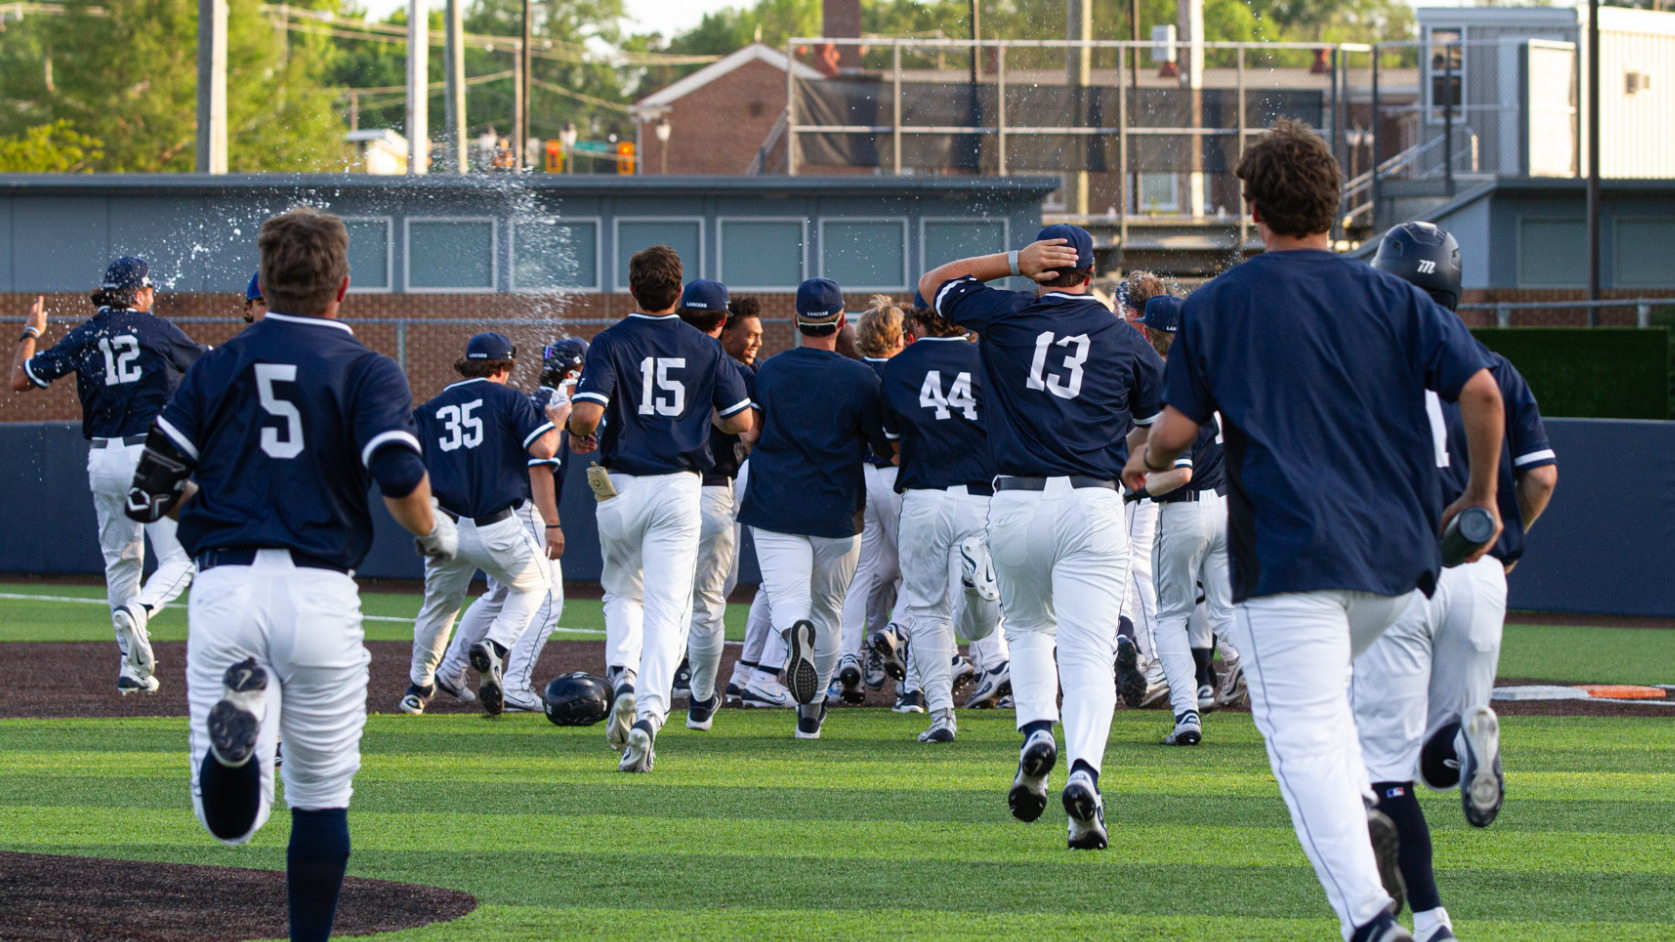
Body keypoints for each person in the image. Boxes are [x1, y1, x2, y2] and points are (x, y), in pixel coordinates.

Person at [1120, 121, 1506, 942]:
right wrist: (1481, 496)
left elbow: (1175, 435)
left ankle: (1370, 921)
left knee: (1299, 742)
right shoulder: (1394, 295)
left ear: (1250, 207)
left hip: (1293, 559)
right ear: (1332, 203)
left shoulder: (1219, 302)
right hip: (1396, 570)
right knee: (1330, 721)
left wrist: (1145, 450)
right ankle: (1370, 813)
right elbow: (1481, 393)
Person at [124, 206, 458, 942]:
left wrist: (204, 505)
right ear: (342, 287)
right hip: (320, 591)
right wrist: (433, 534)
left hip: (225, 583)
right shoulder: (367, 367)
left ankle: (234, 741)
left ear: (265, 285)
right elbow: (400, 476)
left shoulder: (218, 362)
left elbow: (148, 488)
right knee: (321, 799)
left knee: (229, 825)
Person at [919, 224, 1164, 850]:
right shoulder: (1122, 337)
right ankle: (1084, 772)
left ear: (1040, 270)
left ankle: (1036, 731)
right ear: (1090, 273)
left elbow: (932, 286)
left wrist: (1008, 262)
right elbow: (1159, 431)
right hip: (1092, 501)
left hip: (1016, 499)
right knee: (1087, 655)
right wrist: (1131, 455)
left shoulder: (1005, 312)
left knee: (1028, 630)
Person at [1352, 221, 1558, 942]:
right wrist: (1503, 534)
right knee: (1437, 760)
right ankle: (1470, 740)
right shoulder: (1493, 367)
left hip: (1397, 570)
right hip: (1479, 572)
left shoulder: (1366, 364)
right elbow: (1540, 474)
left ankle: (1431, 920)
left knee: (1386, 776)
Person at [567, 245, 752, 772]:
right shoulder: (704, 347)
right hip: (680, 485)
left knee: (623, 590)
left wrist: (578, 432)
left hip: (618, 483)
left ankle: (623, 675)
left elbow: (584, 415)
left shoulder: (610, 340)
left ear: (632, 290)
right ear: (678, 291)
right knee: (671, 607)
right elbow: (741, 423)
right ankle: (650, 711)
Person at [9, 257, 204, 695]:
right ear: (136, 294)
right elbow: (211, 370)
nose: (153, 296)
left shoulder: (84, 334)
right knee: (180, 559)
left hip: (102, 458)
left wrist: (30, 332)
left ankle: (132, 668)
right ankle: (141, 610)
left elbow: (19, 380)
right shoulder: (156, 330)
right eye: (149, 290)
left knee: (121, 561)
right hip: (150, 452)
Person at [737, 276, 892, 740]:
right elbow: (883, 448)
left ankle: (793, 638)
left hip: (776, 505)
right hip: (838, 512)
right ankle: (812, 710)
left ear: (795, 321)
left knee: (789, 602)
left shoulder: (771, 371)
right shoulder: (862, 377)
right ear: (841, 321)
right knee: (829, 611)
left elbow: (752, 433)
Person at [402, 333, 560, 716]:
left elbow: (401, 459)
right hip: (495, 524)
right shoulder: (509, 398)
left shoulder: (431, 407)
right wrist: (555, 421)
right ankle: (497, 645)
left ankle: (419, 687)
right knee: (537, 586)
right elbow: (545, 450)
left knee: (439, 608)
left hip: (444, 523)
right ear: (503, 368)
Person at [434, 338, 586, 712]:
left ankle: (451, 671)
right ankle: (515, 683)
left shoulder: (533, 402)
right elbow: (539, 466)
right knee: (548, 601)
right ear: (572, 373)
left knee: (499, 596)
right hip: (525, 511)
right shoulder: (554, 405)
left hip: (499, 511)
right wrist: (552, 523)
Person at [879, 298, 1003, 742]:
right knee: (990, 613)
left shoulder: (899, 366)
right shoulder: (989, 359)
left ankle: (940, 716)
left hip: (924, 494)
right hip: (981, 496)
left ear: (914, 321)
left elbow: (892, 444)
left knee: (927, 610)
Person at [1130, 294, 1239, 746]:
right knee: (1229, 615)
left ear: (1152, 333)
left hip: (1186, 508)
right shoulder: (1215, 369)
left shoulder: (1171, 377)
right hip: (1226, 505)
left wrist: (1128, 491)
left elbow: (1180, 471)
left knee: (1170, 618)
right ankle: (1290, 698)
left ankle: (1186, 715)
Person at [674, 278, 753, 731]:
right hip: (713, 489)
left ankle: (639, 686)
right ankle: (700, 703)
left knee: (645, 599)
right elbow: (746, 428)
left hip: (657, 485)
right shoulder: (723, 362)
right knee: (708, 602)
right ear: (723, 321)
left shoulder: (647, 350)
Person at [843, 299, 914, 707]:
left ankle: (850, 657)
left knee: (861, 577)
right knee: (918, 573)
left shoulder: (853, 372)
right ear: (899, 337)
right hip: (900, 475)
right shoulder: (906, 369)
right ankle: (898, 642)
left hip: (861, 479)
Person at [1113, 269, 1169, 708]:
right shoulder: (1170, 335)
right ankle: (1154, 652)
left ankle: (1157, 659)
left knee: (1135, 562)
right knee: (1144, 560)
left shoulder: (1135, 340)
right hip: (1171, 459)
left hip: (1145, 462)